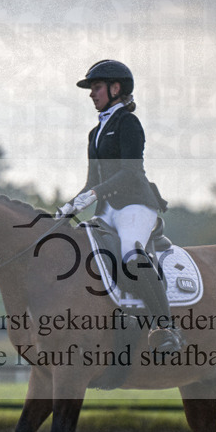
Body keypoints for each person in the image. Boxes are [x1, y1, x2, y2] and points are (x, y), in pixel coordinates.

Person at [57, 59, 184, 353]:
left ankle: (166, 327)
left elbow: (129, 172)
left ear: (116, 88)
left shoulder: (128, 123)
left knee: (130, 253)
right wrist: (67, 209)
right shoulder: (95, 132)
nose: (92, 93)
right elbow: (91, 181)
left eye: (97, 87)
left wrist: (94, 193)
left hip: (135, 205)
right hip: (106, 209)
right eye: (91, 88)